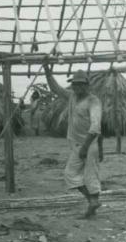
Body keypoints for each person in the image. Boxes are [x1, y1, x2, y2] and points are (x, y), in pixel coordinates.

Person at [44, 64, 104, 218]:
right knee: (70, 174)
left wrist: (87, 147)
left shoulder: (93, 101)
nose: (77, 87)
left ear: (87, 85)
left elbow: (96, 126)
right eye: (74, 84)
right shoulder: (72, 97)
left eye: (80, 84)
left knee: (91, 175)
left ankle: (93, 204)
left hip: (89, 144)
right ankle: (92, 200)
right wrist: (47, 71)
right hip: (77, 144)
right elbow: (56, 89)